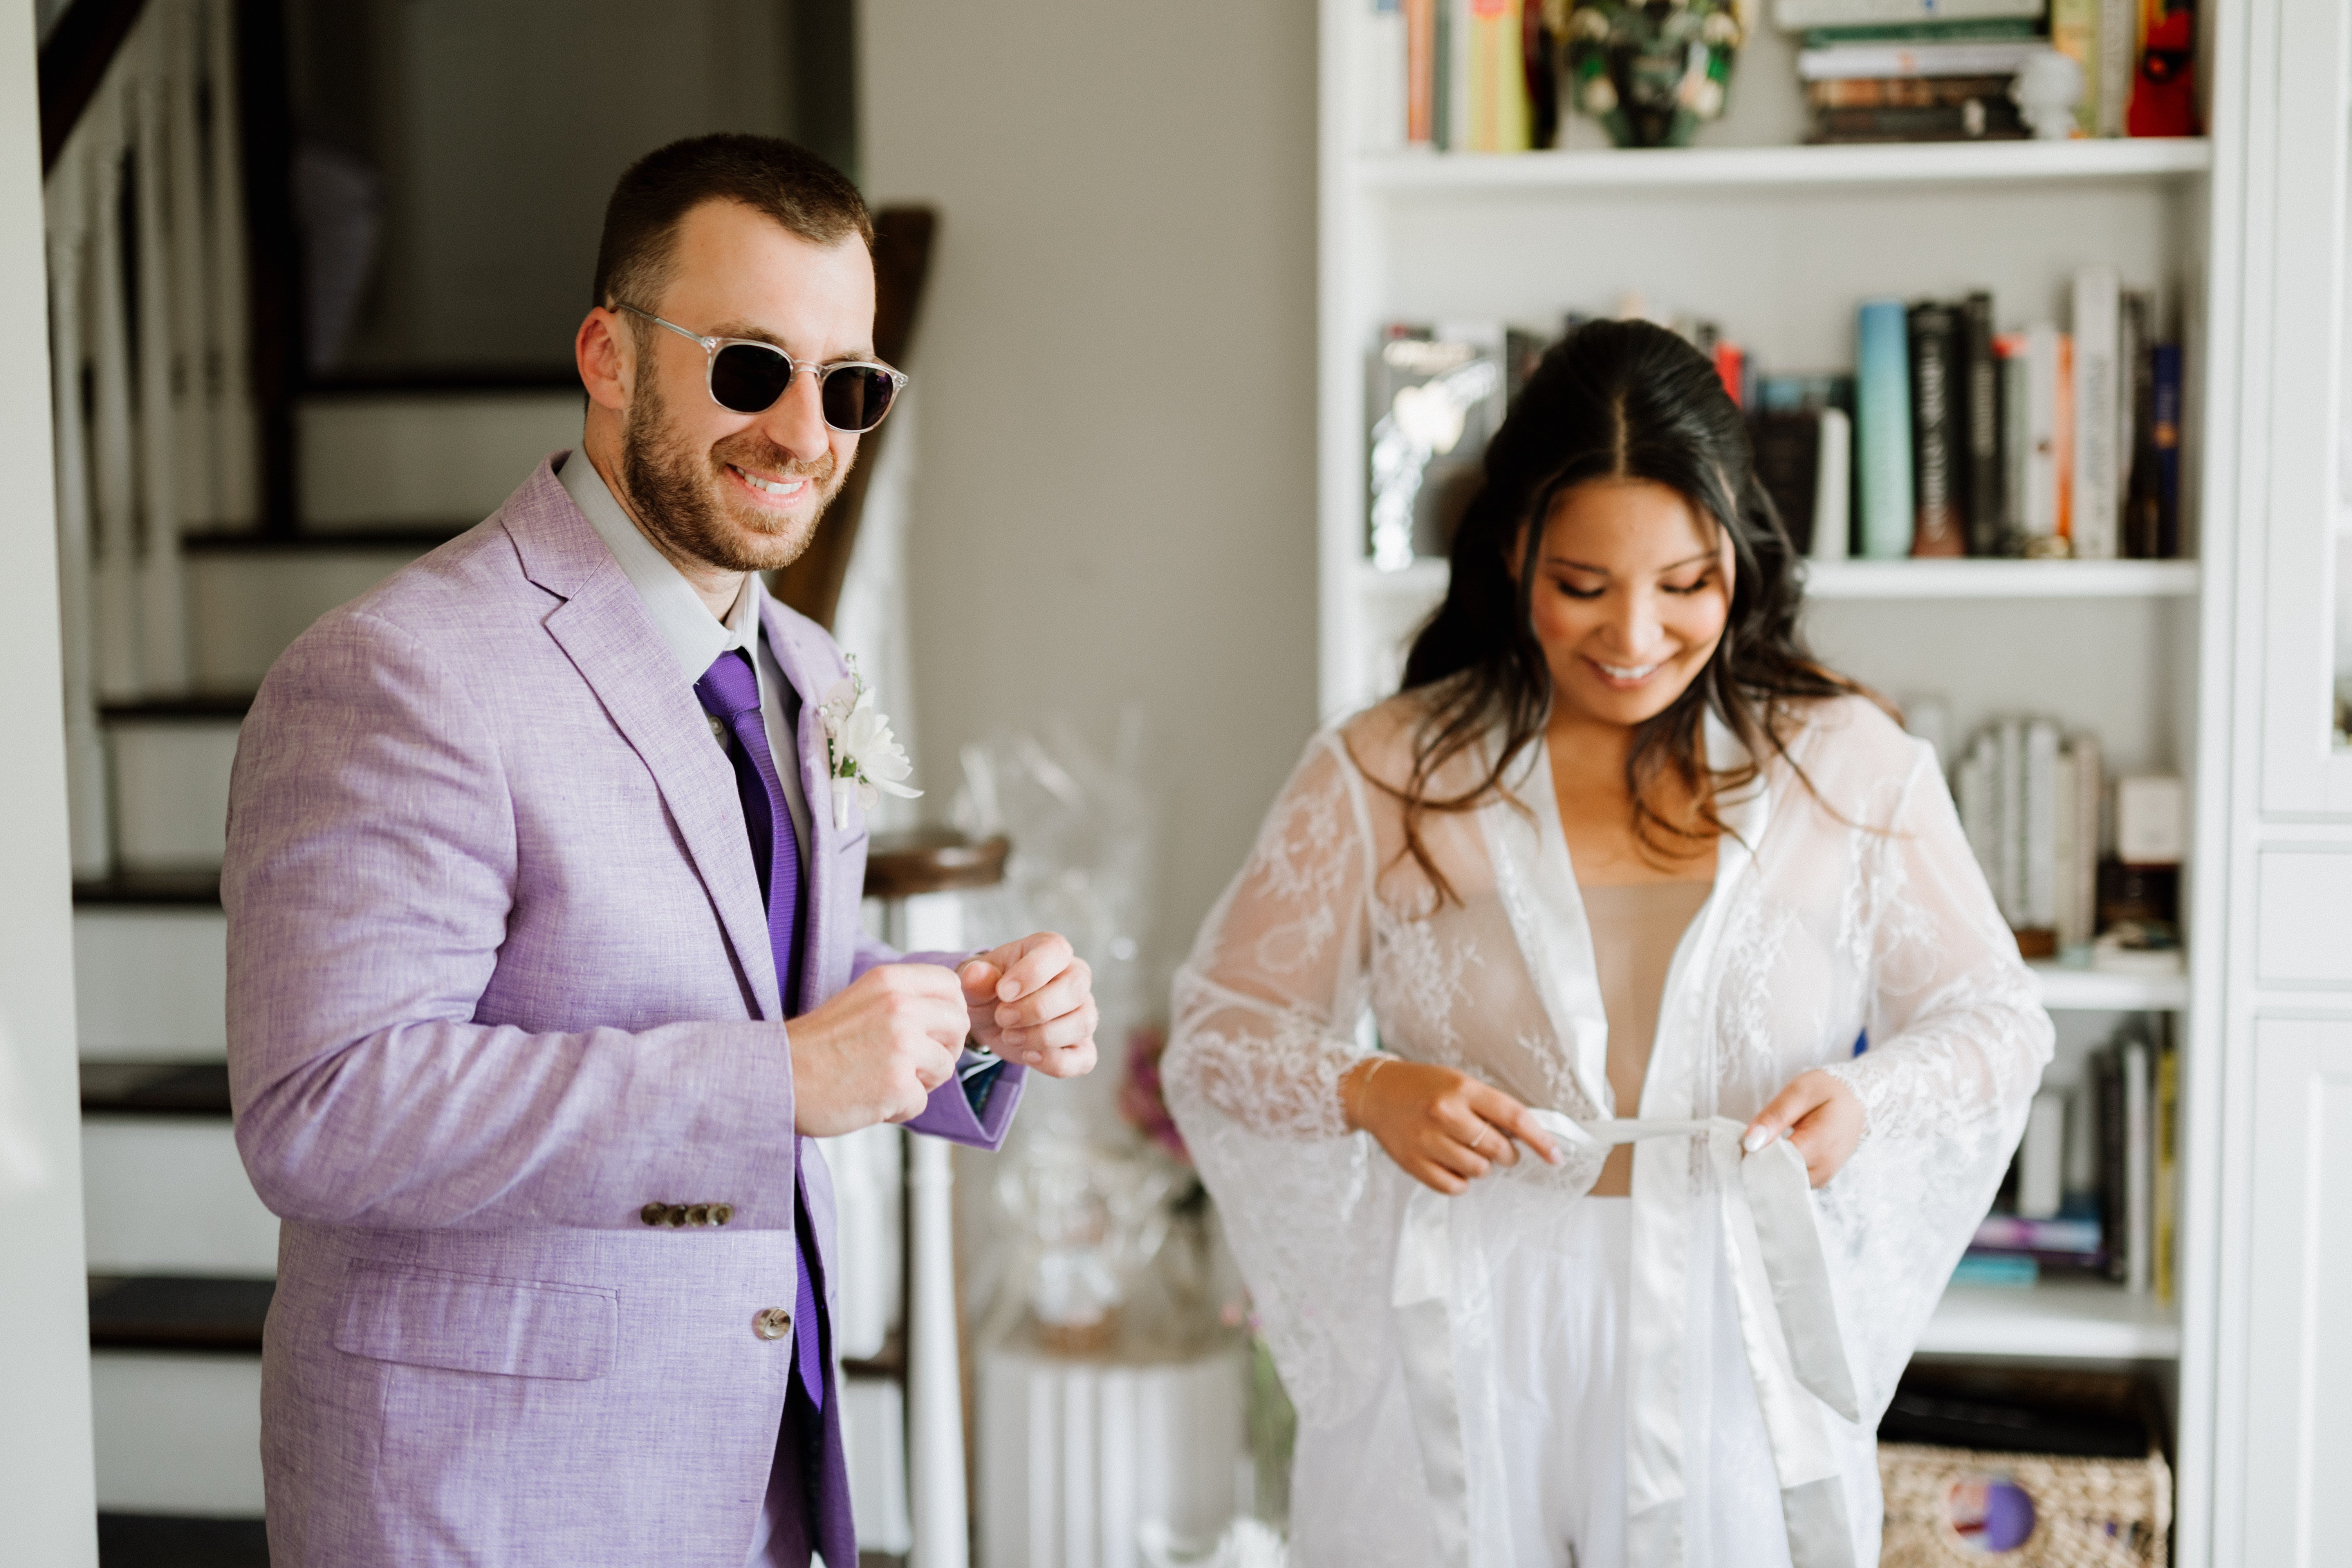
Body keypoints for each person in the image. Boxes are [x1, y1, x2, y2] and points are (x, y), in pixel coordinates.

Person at [223, 134, 1099, 1568]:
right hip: (489, 1502)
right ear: (609, 355)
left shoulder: (806, 669)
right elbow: (326, 1106)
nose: (804, 433)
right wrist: (785, 1080)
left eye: (849, 387)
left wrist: (963, 1015)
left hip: (752, 1476)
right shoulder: (397, 672)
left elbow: (732, 974)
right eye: (751, 366)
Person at [1165, 319, 2051, 1567]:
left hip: (1736, 1346)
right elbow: (1216, 1040)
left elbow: (1998, 1020)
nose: (1634, 638)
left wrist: (1867, 1100)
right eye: (1584, 586)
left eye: (1685, 585)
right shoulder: (1383, 769)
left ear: (1740, 558)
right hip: (1461, 1340)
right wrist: (1367, 1088)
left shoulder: (1847, 764)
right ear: (1514, 549)